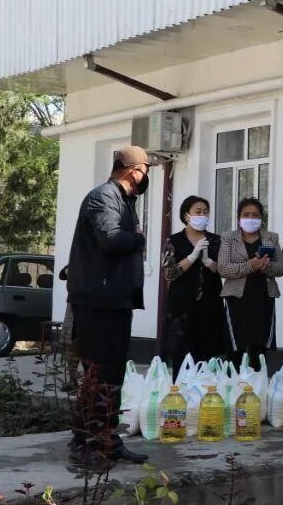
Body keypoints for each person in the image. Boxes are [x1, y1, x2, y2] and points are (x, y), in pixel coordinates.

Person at [66, 144, 154, 465]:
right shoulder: (104, 196)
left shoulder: (123, 200)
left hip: (114, 300)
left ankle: (104, 439)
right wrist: (140, 238)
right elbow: (112, 238)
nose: (147, 176)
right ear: (133, 171)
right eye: (146, 169)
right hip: (98, 302)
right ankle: (89, 444)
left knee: (109, 374)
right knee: (99, 373)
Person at [218, 198, 283, 367]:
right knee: (236, 348)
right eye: (246, 214)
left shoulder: (271, 238)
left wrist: (266, 267)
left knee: (259, 348)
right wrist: (250, 265)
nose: (251, 218)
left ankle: (257, 385)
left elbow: (282, 267)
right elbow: (223, 268)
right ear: (239, 217)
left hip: (263, 297)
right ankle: (233, 386)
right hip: (237, 300)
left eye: (255, 215)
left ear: (261, 218)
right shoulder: (228, 238)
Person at [160, 195, 226, 374]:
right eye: (198, 212)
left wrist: (207, 261)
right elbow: (169, 273)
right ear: (186, 215)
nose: (202, 215)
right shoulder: (172, 241)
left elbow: (225, 270)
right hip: (181, 307)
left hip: (210, 305)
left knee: (208, 355)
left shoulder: (216, 240)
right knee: (182, 357)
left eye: (205, 212)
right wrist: (192, 256)